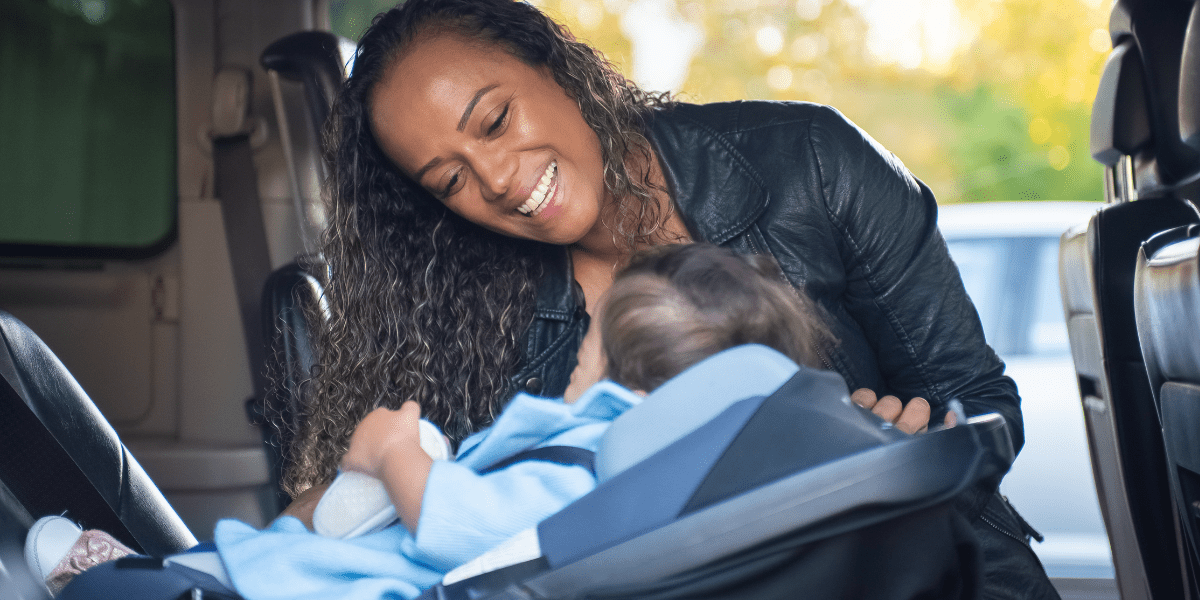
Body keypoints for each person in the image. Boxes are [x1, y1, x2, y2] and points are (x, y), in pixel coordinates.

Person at [278, 0, 1057, 598]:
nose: (499, 180)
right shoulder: (467, 304)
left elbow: (979, 399)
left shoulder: (813, 162)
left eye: (495, 120)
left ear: (554, 64)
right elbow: (401, 493)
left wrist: (903, 443)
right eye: (449, 180)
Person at [31, 243, 865, 599]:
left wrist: (394, 453)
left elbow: (457, 524)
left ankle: (121, 575)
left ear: (620, 375)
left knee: (165, 581)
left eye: (590, 344)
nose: (577, 354)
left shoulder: (588, 465)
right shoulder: (659, 477)